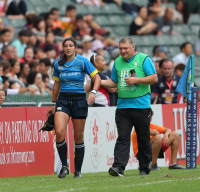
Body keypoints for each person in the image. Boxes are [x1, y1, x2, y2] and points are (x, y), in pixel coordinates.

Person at [101, 37, 158, 176]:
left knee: (143, 138)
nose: (123, 51)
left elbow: (154, 78)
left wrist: (136, 79)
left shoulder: (144, 59)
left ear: (133, 47)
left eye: (125, 48)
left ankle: (144, 167)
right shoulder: (117, 62)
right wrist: (100, 82)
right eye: (121, 48)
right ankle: (118, 167)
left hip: (141, 106)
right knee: (122, 137)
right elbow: (114, 82)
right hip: (122, 107)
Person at [51, 37, 101, 178]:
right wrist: (53, 103)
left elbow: (96, 78)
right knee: (60, 131)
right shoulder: (57, 64)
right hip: (63, 101)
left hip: (79, 100)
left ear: (75, 48)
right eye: (66, 46)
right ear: (63, 48)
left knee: (78, 137)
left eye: (71, 45)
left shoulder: (82, 61)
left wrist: (93, 93)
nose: (68, 48)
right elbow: (56, 84)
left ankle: (77, 171)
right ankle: (64, 166)